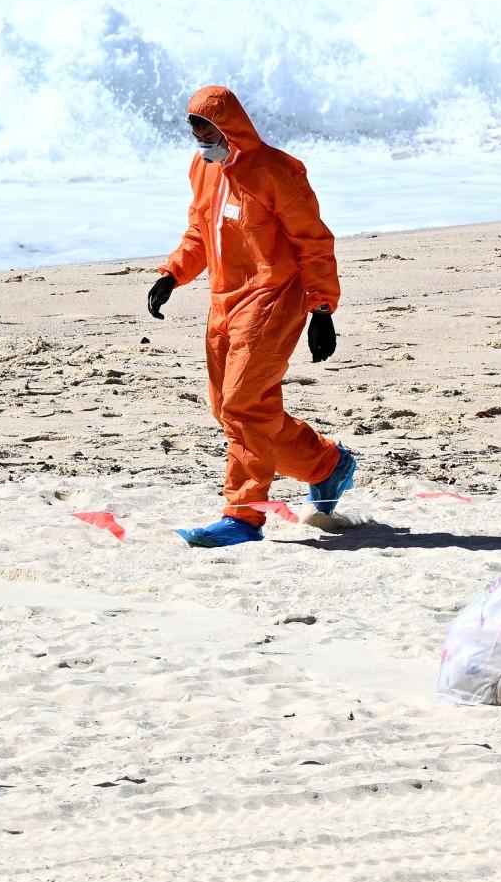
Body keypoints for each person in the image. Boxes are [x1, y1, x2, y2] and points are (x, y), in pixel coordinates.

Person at [145, 85, 356, 548]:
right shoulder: (203, 169)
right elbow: (200, 230)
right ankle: (326, 465)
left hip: (274, 296)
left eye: (206, 127)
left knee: (244, 405)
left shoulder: (275, 171)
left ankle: (243, 516)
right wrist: (172, 274)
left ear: (229, 126)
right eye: (193, 127)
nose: (199, 136)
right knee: (231, 411)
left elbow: (313, 241)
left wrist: (321, 309)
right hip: (224, 300)